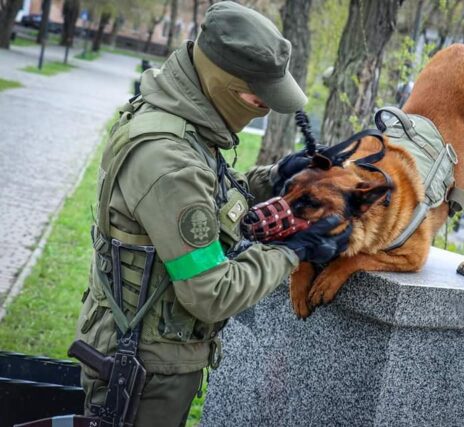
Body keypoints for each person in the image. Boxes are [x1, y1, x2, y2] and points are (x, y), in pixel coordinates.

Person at [74, 2, 351, 426]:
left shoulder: (178, 121)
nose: (264, 108)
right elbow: (212, 293)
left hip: (153, 350)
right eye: (258, 99)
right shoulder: (169, 160)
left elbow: (209, 198)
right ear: (223, 84)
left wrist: (275, 176)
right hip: (145, 368)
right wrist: (292, 252)